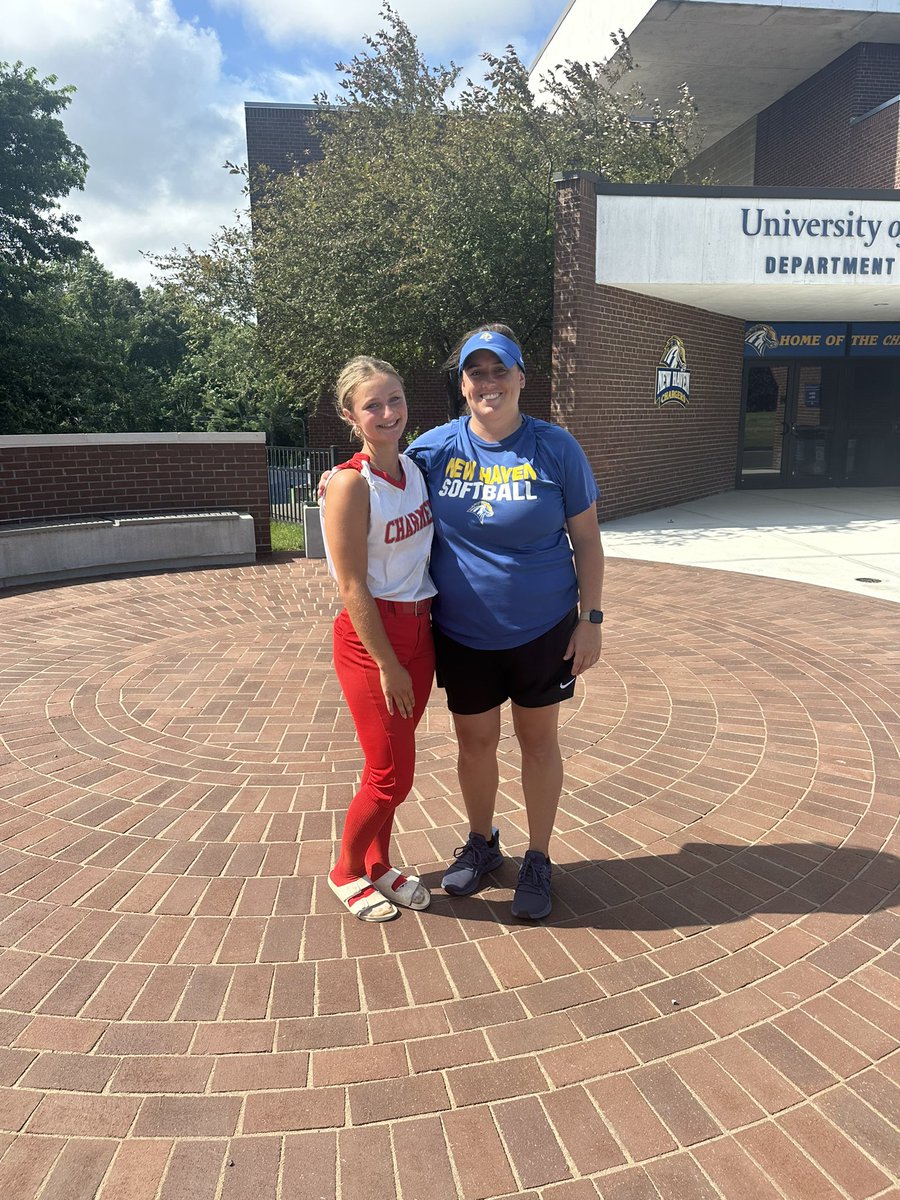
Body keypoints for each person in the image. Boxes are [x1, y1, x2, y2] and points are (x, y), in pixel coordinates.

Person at [403, 323, 605, 920]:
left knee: (538, 743)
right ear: (463, 383)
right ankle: (482, 842)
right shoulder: (435, 449)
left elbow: (588, 541)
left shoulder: (556, 448)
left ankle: (538, 856)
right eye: (476, 372)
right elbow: (379, 476)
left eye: (500, 370)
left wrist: (591, 619)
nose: (488, 382)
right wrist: (341, 476)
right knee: (475, 744)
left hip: (543, 629)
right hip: (462, 631)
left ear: (521, 377)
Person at [321, 356, 436, 922]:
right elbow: (351, 586)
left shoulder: (415, 468)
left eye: (395, 399)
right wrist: (388, 663)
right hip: (373, 640)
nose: (388, 412)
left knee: (392, 762)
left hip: (420, 629)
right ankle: (346, 870)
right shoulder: (350, 484)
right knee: (391, 774)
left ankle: (378, 863)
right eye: (372, 405)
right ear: (351, 415)